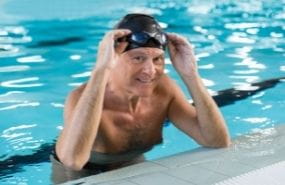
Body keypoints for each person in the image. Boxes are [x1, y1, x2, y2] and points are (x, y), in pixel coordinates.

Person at [51, 13, 230, 184]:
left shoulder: (164, 90)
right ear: (114, 58)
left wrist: (191, 76)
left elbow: (217, 141)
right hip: (80, 172)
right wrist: (101, 69)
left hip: (130, 161)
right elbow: (73, 161)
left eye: (157, 59)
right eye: (138, 58)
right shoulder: (82, 98)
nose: (150, 71)